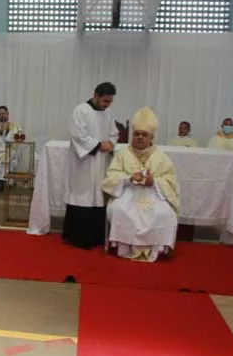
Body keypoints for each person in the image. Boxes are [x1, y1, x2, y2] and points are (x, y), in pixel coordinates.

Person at [101, 107, 179, 262]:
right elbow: (111, 177)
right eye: (137, 134)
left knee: (164, 214)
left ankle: (156, 249)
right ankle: (124, 248)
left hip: (154, 195)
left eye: (144, 135)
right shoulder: (122, 154)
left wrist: (154, 182)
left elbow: (171, 180)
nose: (140, 137)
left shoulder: (161, 157)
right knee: (120, 210)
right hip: (127, 194)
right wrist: (129, 178)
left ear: (151, 138)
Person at [62, 82, 119, 248]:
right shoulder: (81, 111)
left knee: (98, 197)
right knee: (82, 196)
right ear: (96, 95)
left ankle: (96, 237)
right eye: (105, 101)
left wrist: (111, 143)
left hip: (101, 163)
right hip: (84, 163)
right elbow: (77, 135)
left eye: (110, 101)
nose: (107, 104)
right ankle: (77, 238)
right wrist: (99, 145)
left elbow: (114, 133)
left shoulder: (108, 114)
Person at [0, 105, 20, 192]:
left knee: (7, 159)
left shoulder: (14, 127)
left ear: (7, 114)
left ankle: (4, 182)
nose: (2, 115)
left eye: (3, 113)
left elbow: (16, 144)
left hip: (8, 154)